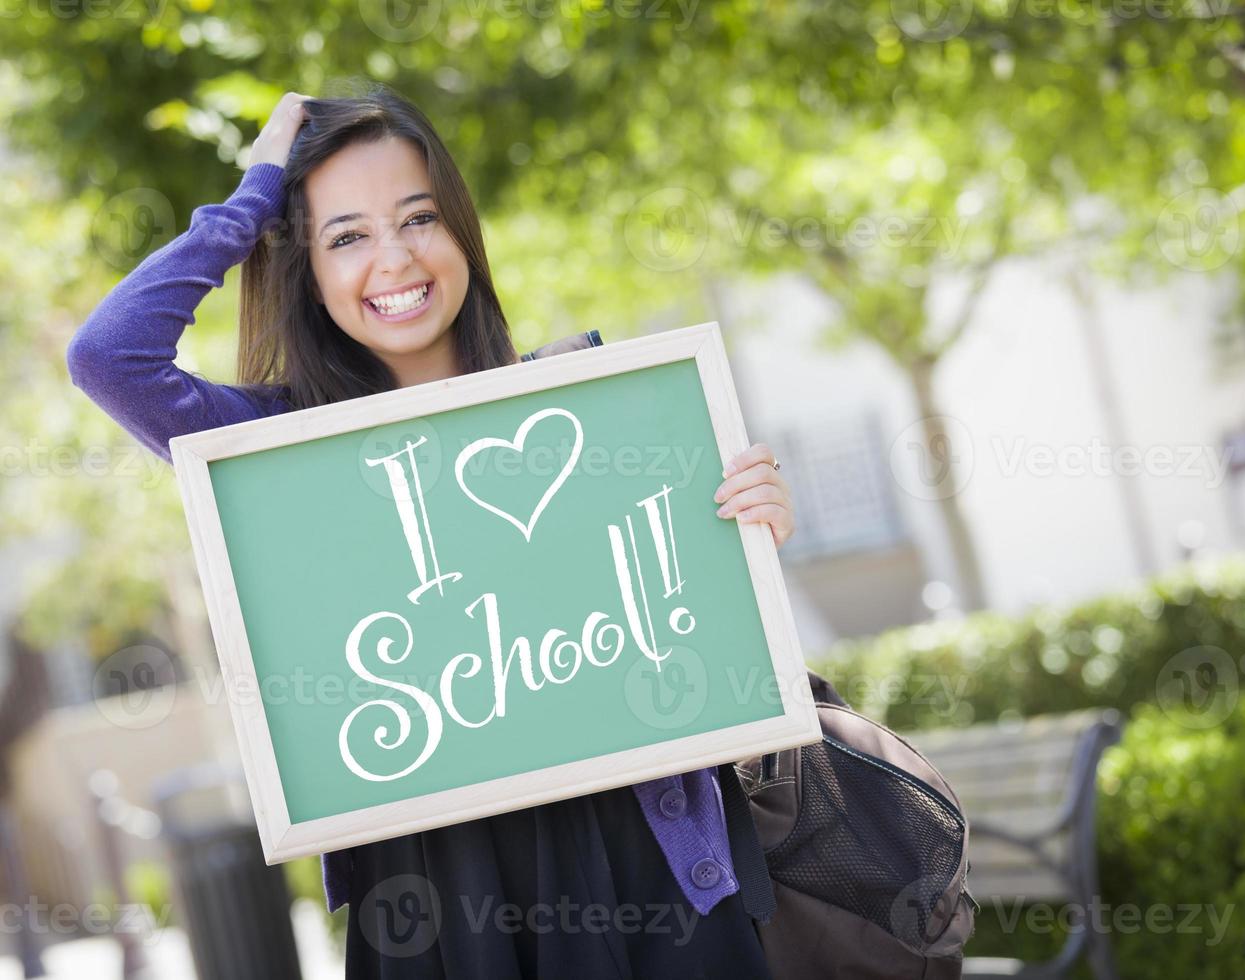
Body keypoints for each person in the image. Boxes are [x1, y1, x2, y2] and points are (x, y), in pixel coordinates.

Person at [66, 84, 798, 979]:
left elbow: (694, 637)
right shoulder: (272, 451)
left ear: (459, 232)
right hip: (436, 897)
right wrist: (255, 192)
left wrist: (746, 537)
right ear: (302, 265)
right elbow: (110, 356)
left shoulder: (586, 405)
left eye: (418, 218)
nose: (395, 258)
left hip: (644, 858)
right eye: (346, 236)